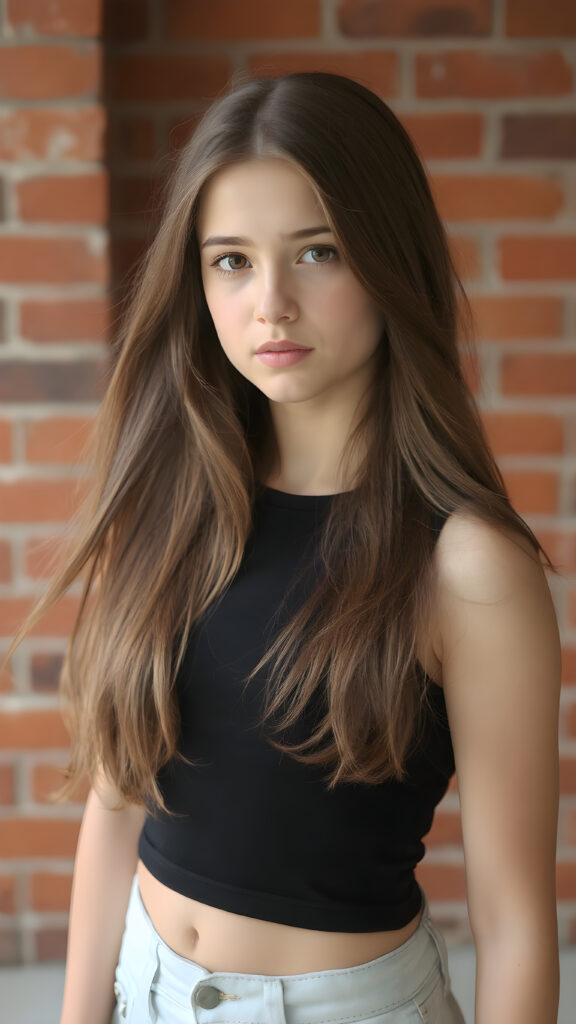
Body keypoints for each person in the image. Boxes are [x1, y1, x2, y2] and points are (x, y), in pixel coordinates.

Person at [6, 72, 560, 1024]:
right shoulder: (173, 506)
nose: (270, 303)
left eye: (317, 252)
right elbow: (118, 803)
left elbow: (515, 922)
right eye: (230, 261)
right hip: (144, 988)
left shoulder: (465, 567)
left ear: (391, 260)